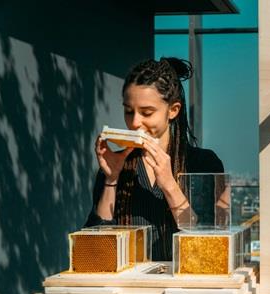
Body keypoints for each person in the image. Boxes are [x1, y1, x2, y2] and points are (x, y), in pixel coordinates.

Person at [85, 57, 224, 261]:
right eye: (128, 111)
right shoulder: (117, 165)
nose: (134, 123)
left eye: (147, 113)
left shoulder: (203, 163)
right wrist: (111, 180)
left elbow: (209, 246)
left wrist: (169, 184)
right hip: (131, 289)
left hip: (184, 288)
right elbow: (96, 252)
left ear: (173, 110)